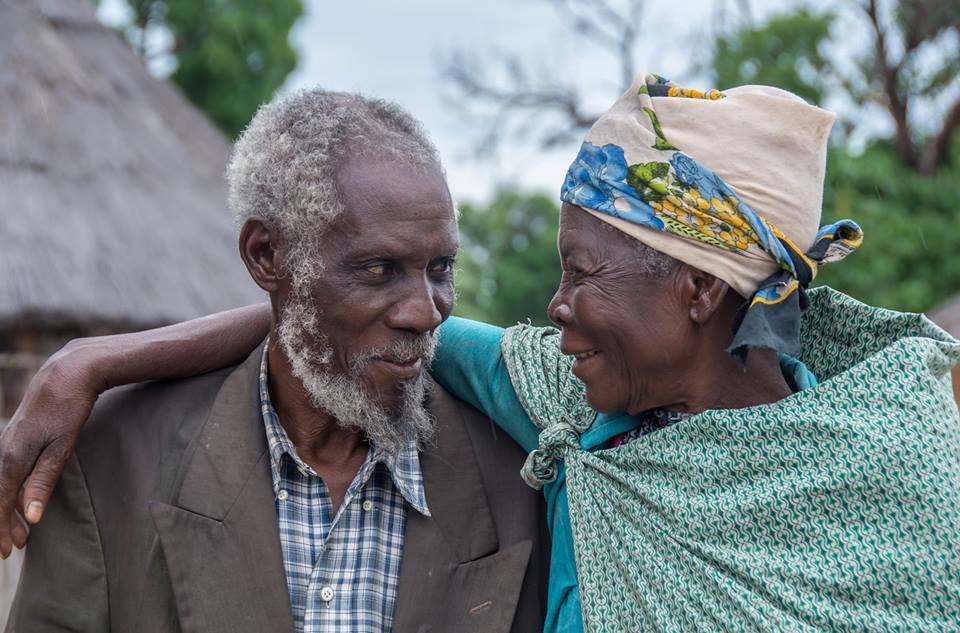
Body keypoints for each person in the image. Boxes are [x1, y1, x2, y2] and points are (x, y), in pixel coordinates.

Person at [4, 73, 960, 632]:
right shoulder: (571, 410)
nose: (555, 307)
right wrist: (93, 361)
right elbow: (340, 319)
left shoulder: (903, 466)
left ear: (699, 289)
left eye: (583, 273)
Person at [3, 89, 549, 633]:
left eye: (440, 268)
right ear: (266, 255)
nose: (427, 314)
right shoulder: (112, 462)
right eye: (380, 269)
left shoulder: (525, 476)